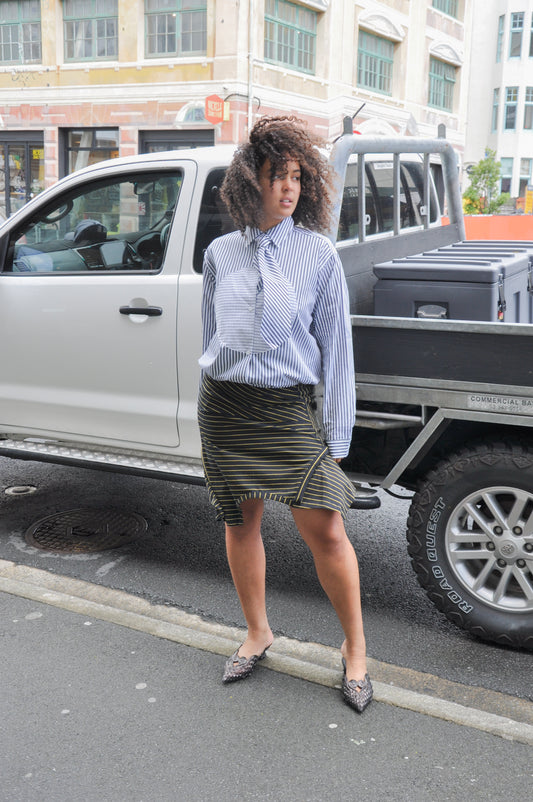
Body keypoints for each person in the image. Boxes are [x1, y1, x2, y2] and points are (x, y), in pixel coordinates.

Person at [197, 116, 372, 713]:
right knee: (240, 522)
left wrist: (337, 433)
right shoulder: (220, 253)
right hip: (226, 406)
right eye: (277, 176)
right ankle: (257, 631)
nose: (289, 188)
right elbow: (210, 337)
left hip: (288, 410)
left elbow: (337, 349)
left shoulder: (318, 255)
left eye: (297, 176)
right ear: (251, 181)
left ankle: (355, 649)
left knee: (325, 527)